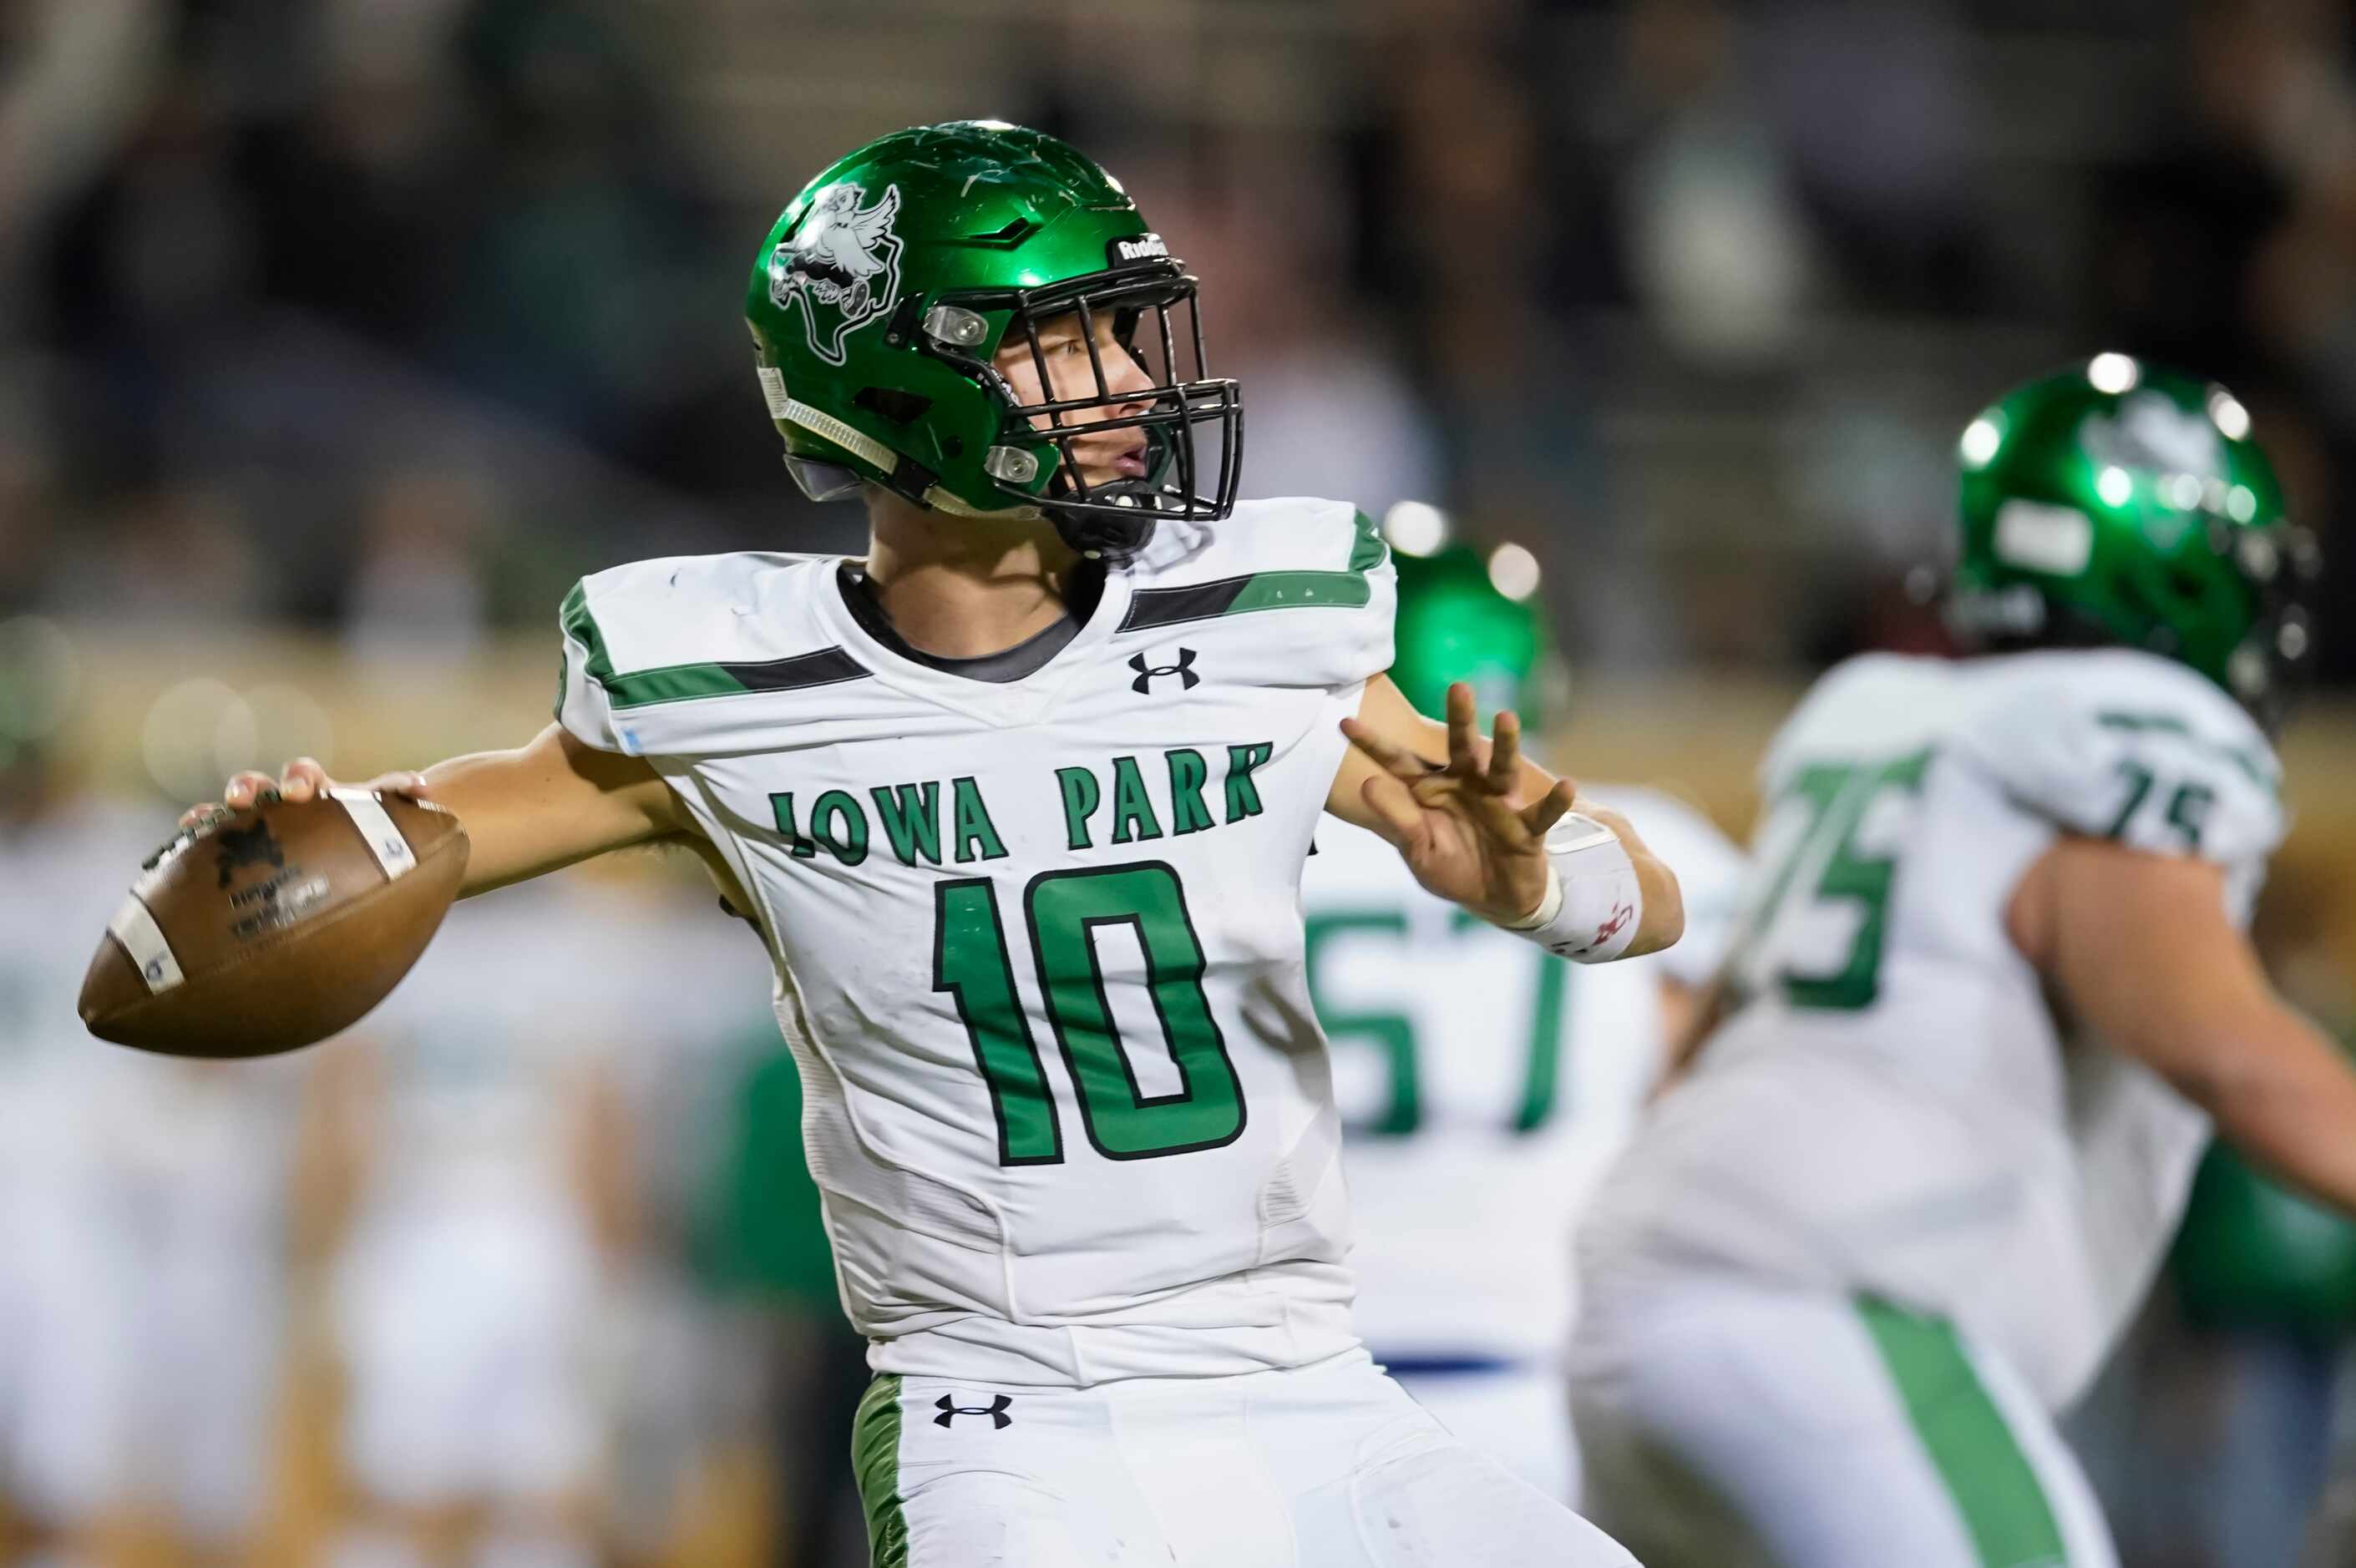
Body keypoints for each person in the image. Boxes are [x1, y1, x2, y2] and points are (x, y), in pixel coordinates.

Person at [184, 120, 1680, 1565]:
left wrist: (1546, 879)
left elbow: (1649, 901)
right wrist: (283, 848)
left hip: (1302, 1379)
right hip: (1005, 1411)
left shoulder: (1264, 621)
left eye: (1123, 332)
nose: (1124, 384)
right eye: (1062, 343)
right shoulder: (724, 694)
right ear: (904, 384)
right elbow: (422, 831)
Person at [1568, 357, 2334, 1566]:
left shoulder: (1877, 717)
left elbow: (1692, 1054)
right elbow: (2218, 1041)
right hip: (1829, 1313)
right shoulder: (2124, 735)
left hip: (1629, 1316)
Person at [1300, 527, 1745, 1502]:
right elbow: (1719, 1091)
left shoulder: (1259, 851)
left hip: (1295, 1396)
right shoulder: (1647, 846)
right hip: (1536, 1389)